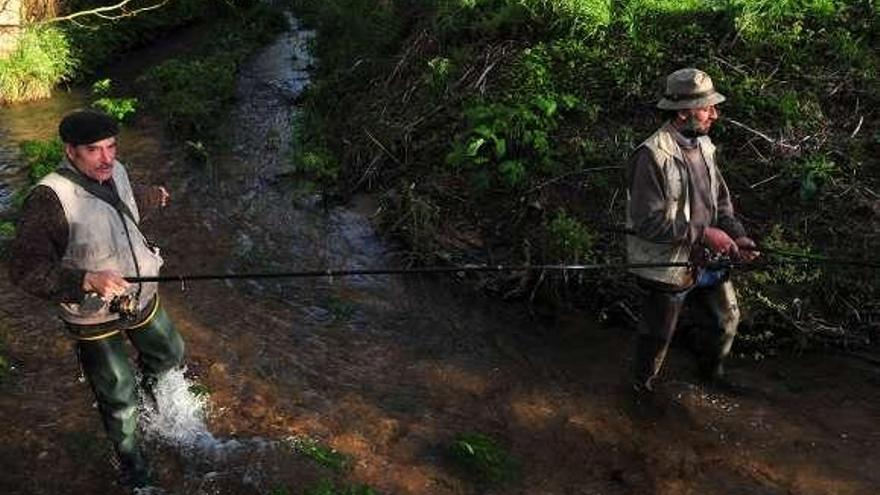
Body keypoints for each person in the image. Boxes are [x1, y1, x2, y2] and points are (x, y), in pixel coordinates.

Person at [8, 109, 184, 489]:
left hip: (140, 296)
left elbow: (123, 200)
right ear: (70, 151)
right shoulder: (47, 200)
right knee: (118, 395)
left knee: (170, 352)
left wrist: (153, 196)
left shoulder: (113, 170)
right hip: (92, 317)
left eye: (111, 146)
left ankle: (152, 399)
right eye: (94, 150)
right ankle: (133, 464)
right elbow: (24, 270)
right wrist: (86, 279)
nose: (107, 158)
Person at [625, 68, 758, 396]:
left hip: (707, 260)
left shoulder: (706, 144)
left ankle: (711, 377)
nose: (715, 113)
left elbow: (721, 202)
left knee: (725, 321)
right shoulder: (651, 155)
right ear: (683, 112)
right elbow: (648, 223)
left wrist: (736, 235)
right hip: (669, 265)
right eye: (706, 107)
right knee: (657, 336)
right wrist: (705, 234)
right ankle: (640, 392)